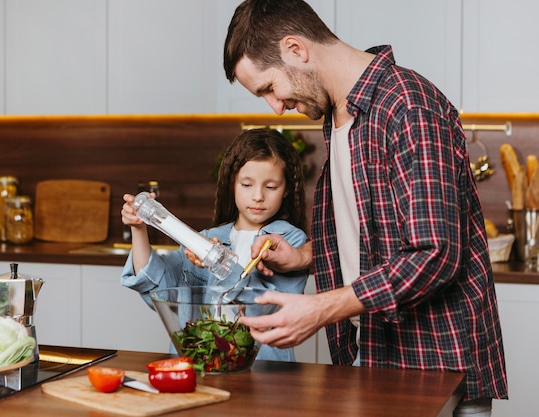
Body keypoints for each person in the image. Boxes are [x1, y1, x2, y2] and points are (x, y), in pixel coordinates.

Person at [223, 0, 507, 415]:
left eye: (268, 87)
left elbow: (436, 254)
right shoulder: (339, 116)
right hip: (373, 359)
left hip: (433, 366)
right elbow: (372, 237)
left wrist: (321, 308)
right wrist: (303, 256)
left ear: (296, 49)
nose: (274, 106)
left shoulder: (408, 106)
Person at [120, 127, 309, 362]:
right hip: (202, 363)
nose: (258, 196)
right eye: (247, 185)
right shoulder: (207, 238)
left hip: (263, 369)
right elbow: (157, 287)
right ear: (232, 184)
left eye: (270, 187)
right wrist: (139, 228)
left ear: (287, 189)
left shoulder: (291, 242)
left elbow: (266, 306)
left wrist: (218, 262)